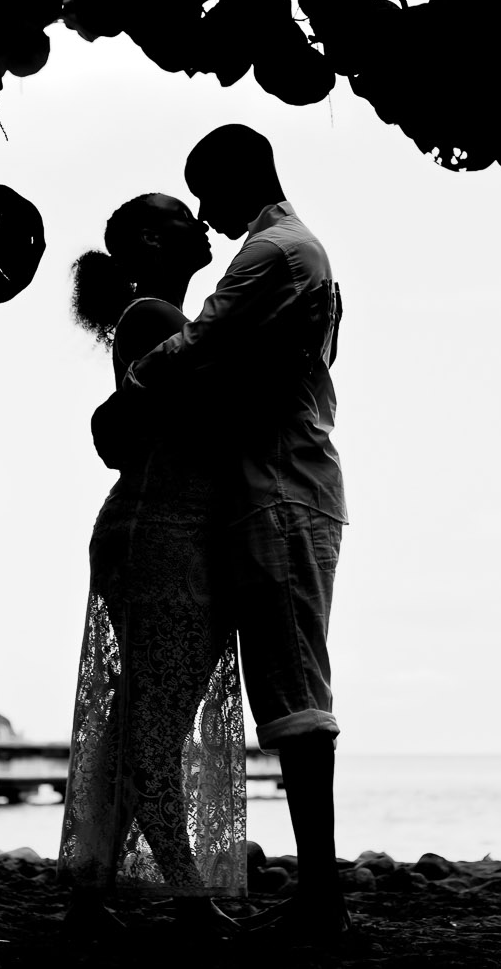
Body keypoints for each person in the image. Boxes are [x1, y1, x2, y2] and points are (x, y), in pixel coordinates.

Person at [121, 124, 351, 944]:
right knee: (287, 689)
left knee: (293, 693)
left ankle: (322, 894)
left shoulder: (275, 252)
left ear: (237, 177)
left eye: (207, 192)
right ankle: (318, 889)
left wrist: (129, 391)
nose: (205, 214)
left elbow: (201, 342)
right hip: (278, 488)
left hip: (281, 492)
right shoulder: (289, 251)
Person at [56, 193, 247, 935]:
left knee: (153, 707)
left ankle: (102, 882)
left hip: (165, 527)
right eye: (179, 220)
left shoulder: (157, 319)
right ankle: (183, 889)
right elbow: (223, 402)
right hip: (157, 531)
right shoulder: (154, 319)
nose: (202, 223)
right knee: (157, 712)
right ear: (145, 239)